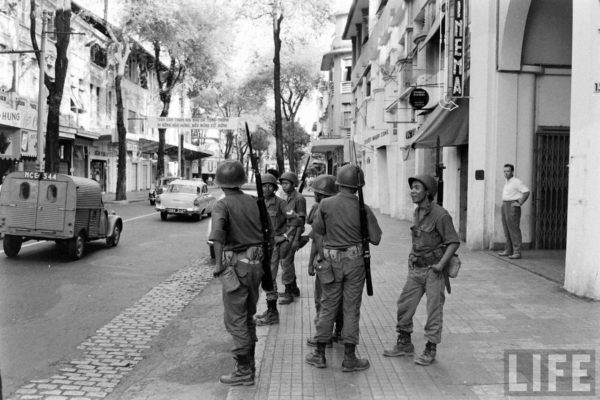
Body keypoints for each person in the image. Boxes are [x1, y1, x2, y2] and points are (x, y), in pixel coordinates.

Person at [305, 163, 382, 372]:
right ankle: (349, 357)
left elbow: (319, 231)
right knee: (351, 309)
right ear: (359, 187)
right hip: (355, 263)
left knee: (327, 306)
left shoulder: (326, 205)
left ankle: (319, 354)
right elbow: (376, 238)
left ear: (338, 183)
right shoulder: (363, 208)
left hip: (330, 263)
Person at [383, 174, 460, 366]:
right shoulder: (417, 212)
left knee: (434, 310)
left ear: (428, 192)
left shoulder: (440, 215)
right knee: (404, 305)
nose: (413, 191)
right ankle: (404, 342)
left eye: (417, 188)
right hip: (416, 270)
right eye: (412, 188)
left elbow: (453, 242)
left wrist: (441, 265)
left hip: (434, 271)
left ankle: (430, 348)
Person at [209, 160, 265, 386]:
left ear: (221, 183)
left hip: (237, 266)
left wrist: (218, 265)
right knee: (248, 316)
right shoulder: (255, 202)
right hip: (256, 266)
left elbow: (218, 235)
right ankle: (249, 364)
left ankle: (243, 372)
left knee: (236, 320)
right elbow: (267, 232)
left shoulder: (222, 205)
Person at [305, 174, 343, 347]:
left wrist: (314, 261)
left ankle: (323, 336)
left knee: (322, 300)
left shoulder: (319, 209)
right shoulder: (340, 209)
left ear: (319, 195)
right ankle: (339, 332)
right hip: (341, 261)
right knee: (339, 299)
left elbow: (317, 239)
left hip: (326, 263)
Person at [255, 173, 288, 326]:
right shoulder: (256, 203)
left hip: (272, 246)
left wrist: (284, 236)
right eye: (263, 185)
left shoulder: (281, 203)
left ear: (275, 188)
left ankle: (273, 314)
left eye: (270, 185)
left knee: (271, 279)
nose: (266, 188)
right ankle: (270, 311)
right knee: (263, 278)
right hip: (260, 246)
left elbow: (296, 219)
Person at [277, 171, 307, 305]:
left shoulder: (299, 198)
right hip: (287, 233)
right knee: (286, 262)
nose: (284, 186)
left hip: (293, 234)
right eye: (282, 183)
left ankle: (289, 293)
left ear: (293, 184)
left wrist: (295, 240)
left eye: (286, 183)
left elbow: (301, 221)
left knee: (286, 263)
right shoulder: (288, 197)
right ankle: (293, 289)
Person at [498, 163, 530, 259]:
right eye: (504, 171)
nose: (506, 173)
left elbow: (526, 191)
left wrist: (519, 202)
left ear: (512, 172)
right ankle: (508, 250)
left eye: (508, 171)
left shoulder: (516, 181)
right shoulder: (507, 182)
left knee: (514, 228)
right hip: (505, 204)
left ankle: (517, 251)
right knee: (506, 229)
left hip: (512, 205)